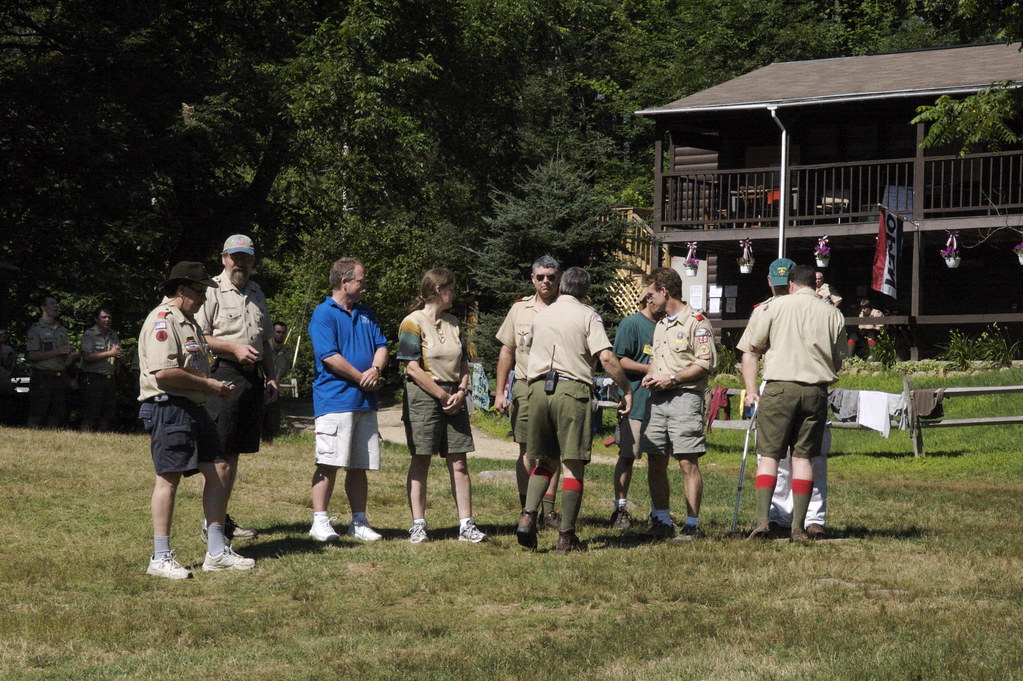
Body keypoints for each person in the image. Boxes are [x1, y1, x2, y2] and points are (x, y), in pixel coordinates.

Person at [138, 262, 254, 579]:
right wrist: (208, 385)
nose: (204, 298)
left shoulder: (188, 323)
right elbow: (163, 373)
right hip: (168, 407)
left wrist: (209, 387)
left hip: (194, 407)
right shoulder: (163, 321)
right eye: (200, 291)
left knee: (217, 471)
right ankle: (160, 556)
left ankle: (216, 552)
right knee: (169, 479)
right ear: (181, 290)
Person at [515, 267, 632, 553]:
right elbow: (605, 356)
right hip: (571, 390)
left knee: (544, 461)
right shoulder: (587, 315)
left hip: (538, 391)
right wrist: (626, 389)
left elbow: (525, 347)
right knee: (572, 464)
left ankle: (528, 517)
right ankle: (566, 535)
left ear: (562, 287)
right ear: (585, 291)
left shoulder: (543, 315)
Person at [741, 264, 846, 542]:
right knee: (803, 458)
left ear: (790, 284)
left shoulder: (773, 307)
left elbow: (753, 348)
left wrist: (752, 388)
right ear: (816, 283)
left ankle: (764, 521)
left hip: (778, 388)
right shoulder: (833, 313)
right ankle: (798, 527)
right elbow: (837, 360)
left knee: (770, 456)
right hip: (815, 392)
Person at [197, 234, 277, 542]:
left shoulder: (257, 293)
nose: (239, 261)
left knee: (233, 457)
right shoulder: (212, 291)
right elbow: (199, 337)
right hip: (222, 376)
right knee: (218, 456)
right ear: (223, 258)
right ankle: (211, 527)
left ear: (253, 261)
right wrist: (233, 348)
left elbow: (266, 342)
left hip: (251, 380)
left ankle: (220, 519)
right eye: (234, 256)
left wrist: (270, 377)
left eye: (245, 256)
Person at [397, 269, 485, 544]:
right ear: (437, 289)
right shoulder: (412, 322)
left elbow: (462, 362)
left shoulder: (454, 322)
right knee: (421, 459)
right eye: (451, 289)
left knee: (459, 460)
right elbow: (411, 367)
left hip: (454, 394)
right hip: (424, 395)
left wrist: (461, 390)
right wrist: (440, 395)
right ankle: (419, 525)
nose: (454, 294)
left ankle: (466, 525)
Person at [307, 258, 389, 543]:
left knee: (359, 465)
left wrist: (375, 370)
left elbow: (382, 345)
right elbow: (329, 357)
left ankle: (359, 520)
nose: (365, 286)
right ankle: (320, 520)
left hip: (364, 402)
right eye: (361, 281)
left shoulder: (367, 313)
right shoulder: (323, 314)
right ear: (345, 282)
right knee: (328, 461)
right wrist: (360, 377)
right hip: (335, 400)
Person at [639, 267, 716, 541]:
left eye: (651, 295)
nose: (648, 300)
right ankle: (661, 520)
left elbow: (705, 364)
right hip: (657, 402)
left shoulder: (696, 322)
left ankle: (692, 524)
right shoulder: (661, 325)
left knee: (687, 461)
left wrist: (672, 379)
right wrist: (650, 376)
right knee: (655, 460)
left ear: (664, 292)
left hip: (685, 398)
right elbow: (657, 361)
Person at [494, 255, 562, 530]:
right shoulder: (519, 309)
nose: (546, 281)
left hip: (557, 385)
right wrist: (500, 391)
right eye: (541, 277)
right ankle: (527, 510)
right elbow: (507, 350)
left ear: (559, 279)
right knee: (526, 449)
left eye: (551, 276)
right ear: (533, 279)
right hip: (524, 384)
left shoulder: (568, 308)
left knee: (553, 450)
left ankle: (548, 511)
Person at [608, 294, 661, 530]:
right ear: (649, 300)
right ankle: (620, 509)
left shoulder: (668, 325)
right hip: (637, 403)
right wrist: (649, 368)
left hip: (662, 406)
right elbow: (618, 359)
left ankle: (658, 513)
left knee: (658, 461)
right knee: (627, 456)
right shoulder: (631, 324)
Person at [25, 295, 75, 428]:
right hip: (42, 376)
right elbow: (32, 355)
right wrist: (58, 352)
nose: (56, 306)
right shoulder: (36, 329)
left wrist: (70, 356)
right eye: (52, 304)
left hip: (59, 375)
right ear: (43, 307)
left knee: (56, 414)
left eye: (57, 304)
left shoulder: (61, 330)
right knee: (37, 412)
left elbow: (64, 355)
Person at [78, 307, 124, 432]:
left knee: (107, 414)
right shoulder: (89, 335)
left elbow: (116, 353)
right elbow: (86, 356)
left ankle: (102, 438)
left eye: (109, 317)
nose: (107, 320)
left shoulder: (113, 334)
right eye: (104, 317)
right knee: (90, 414)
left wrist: (120, 356)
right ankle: (84, 437)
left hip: (109, 378)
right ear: (96, 319)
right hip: (94, 378)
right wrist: (110, 353)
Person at [261, 321, 293, 443]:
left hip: (275, 388)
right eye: (278, 332)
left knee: (272, 418)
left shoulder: (286, 354)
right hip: (261, 386)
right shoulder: (264, 348)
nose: (281, 335)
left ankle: (268, 440)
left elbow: (285, 371)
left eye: (283, 333)